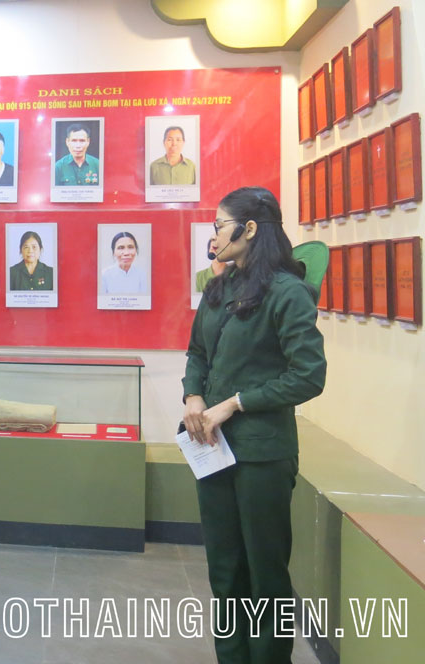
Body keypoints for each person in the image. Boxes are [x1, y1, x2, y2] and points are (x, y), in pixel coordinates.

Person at [182, 186, 326, 664]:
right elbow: (198, 353)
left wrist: (235, 403)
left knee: (266, 576)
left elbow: (308, 376)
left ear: (248, 229)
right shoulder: (218, 288)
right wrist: (194, 396)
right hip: (212, 449)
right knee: (225, 571)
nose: (214, 235)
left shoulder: (288, 292)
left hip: (262, 455)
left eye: (220, 225)